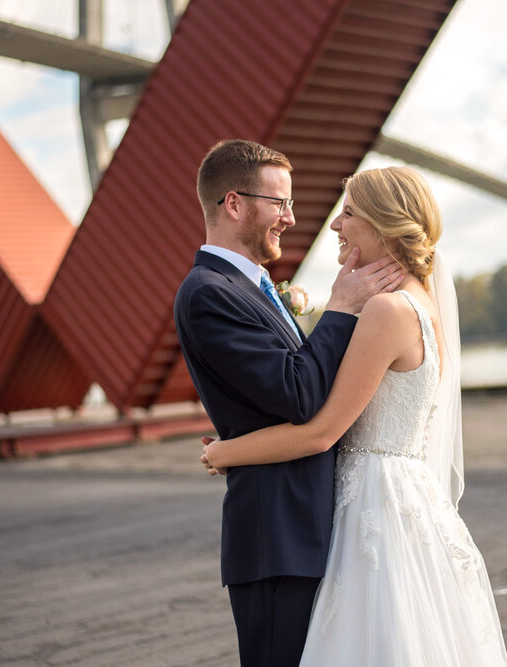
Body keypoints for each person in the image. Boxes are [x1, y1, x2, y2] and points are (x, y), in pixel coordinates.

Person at [201, 166, 507, 666]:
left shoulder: (387, 312)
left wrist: (224, 451)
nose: (334, 226)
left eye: (348, 214)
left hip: (374, 505)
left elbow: (322, 431)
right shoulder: (421, 303)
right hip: (405, 499)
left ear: (385, 225)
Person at [173, 139, 404, 667]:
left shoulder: (251, 287)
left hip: (305, 530)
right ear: (234, 204)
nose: (291, 218)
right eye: (281, 204)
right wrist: (341, 309)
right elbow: (298, 394)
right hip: (276, 539)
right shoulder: (209, 292)